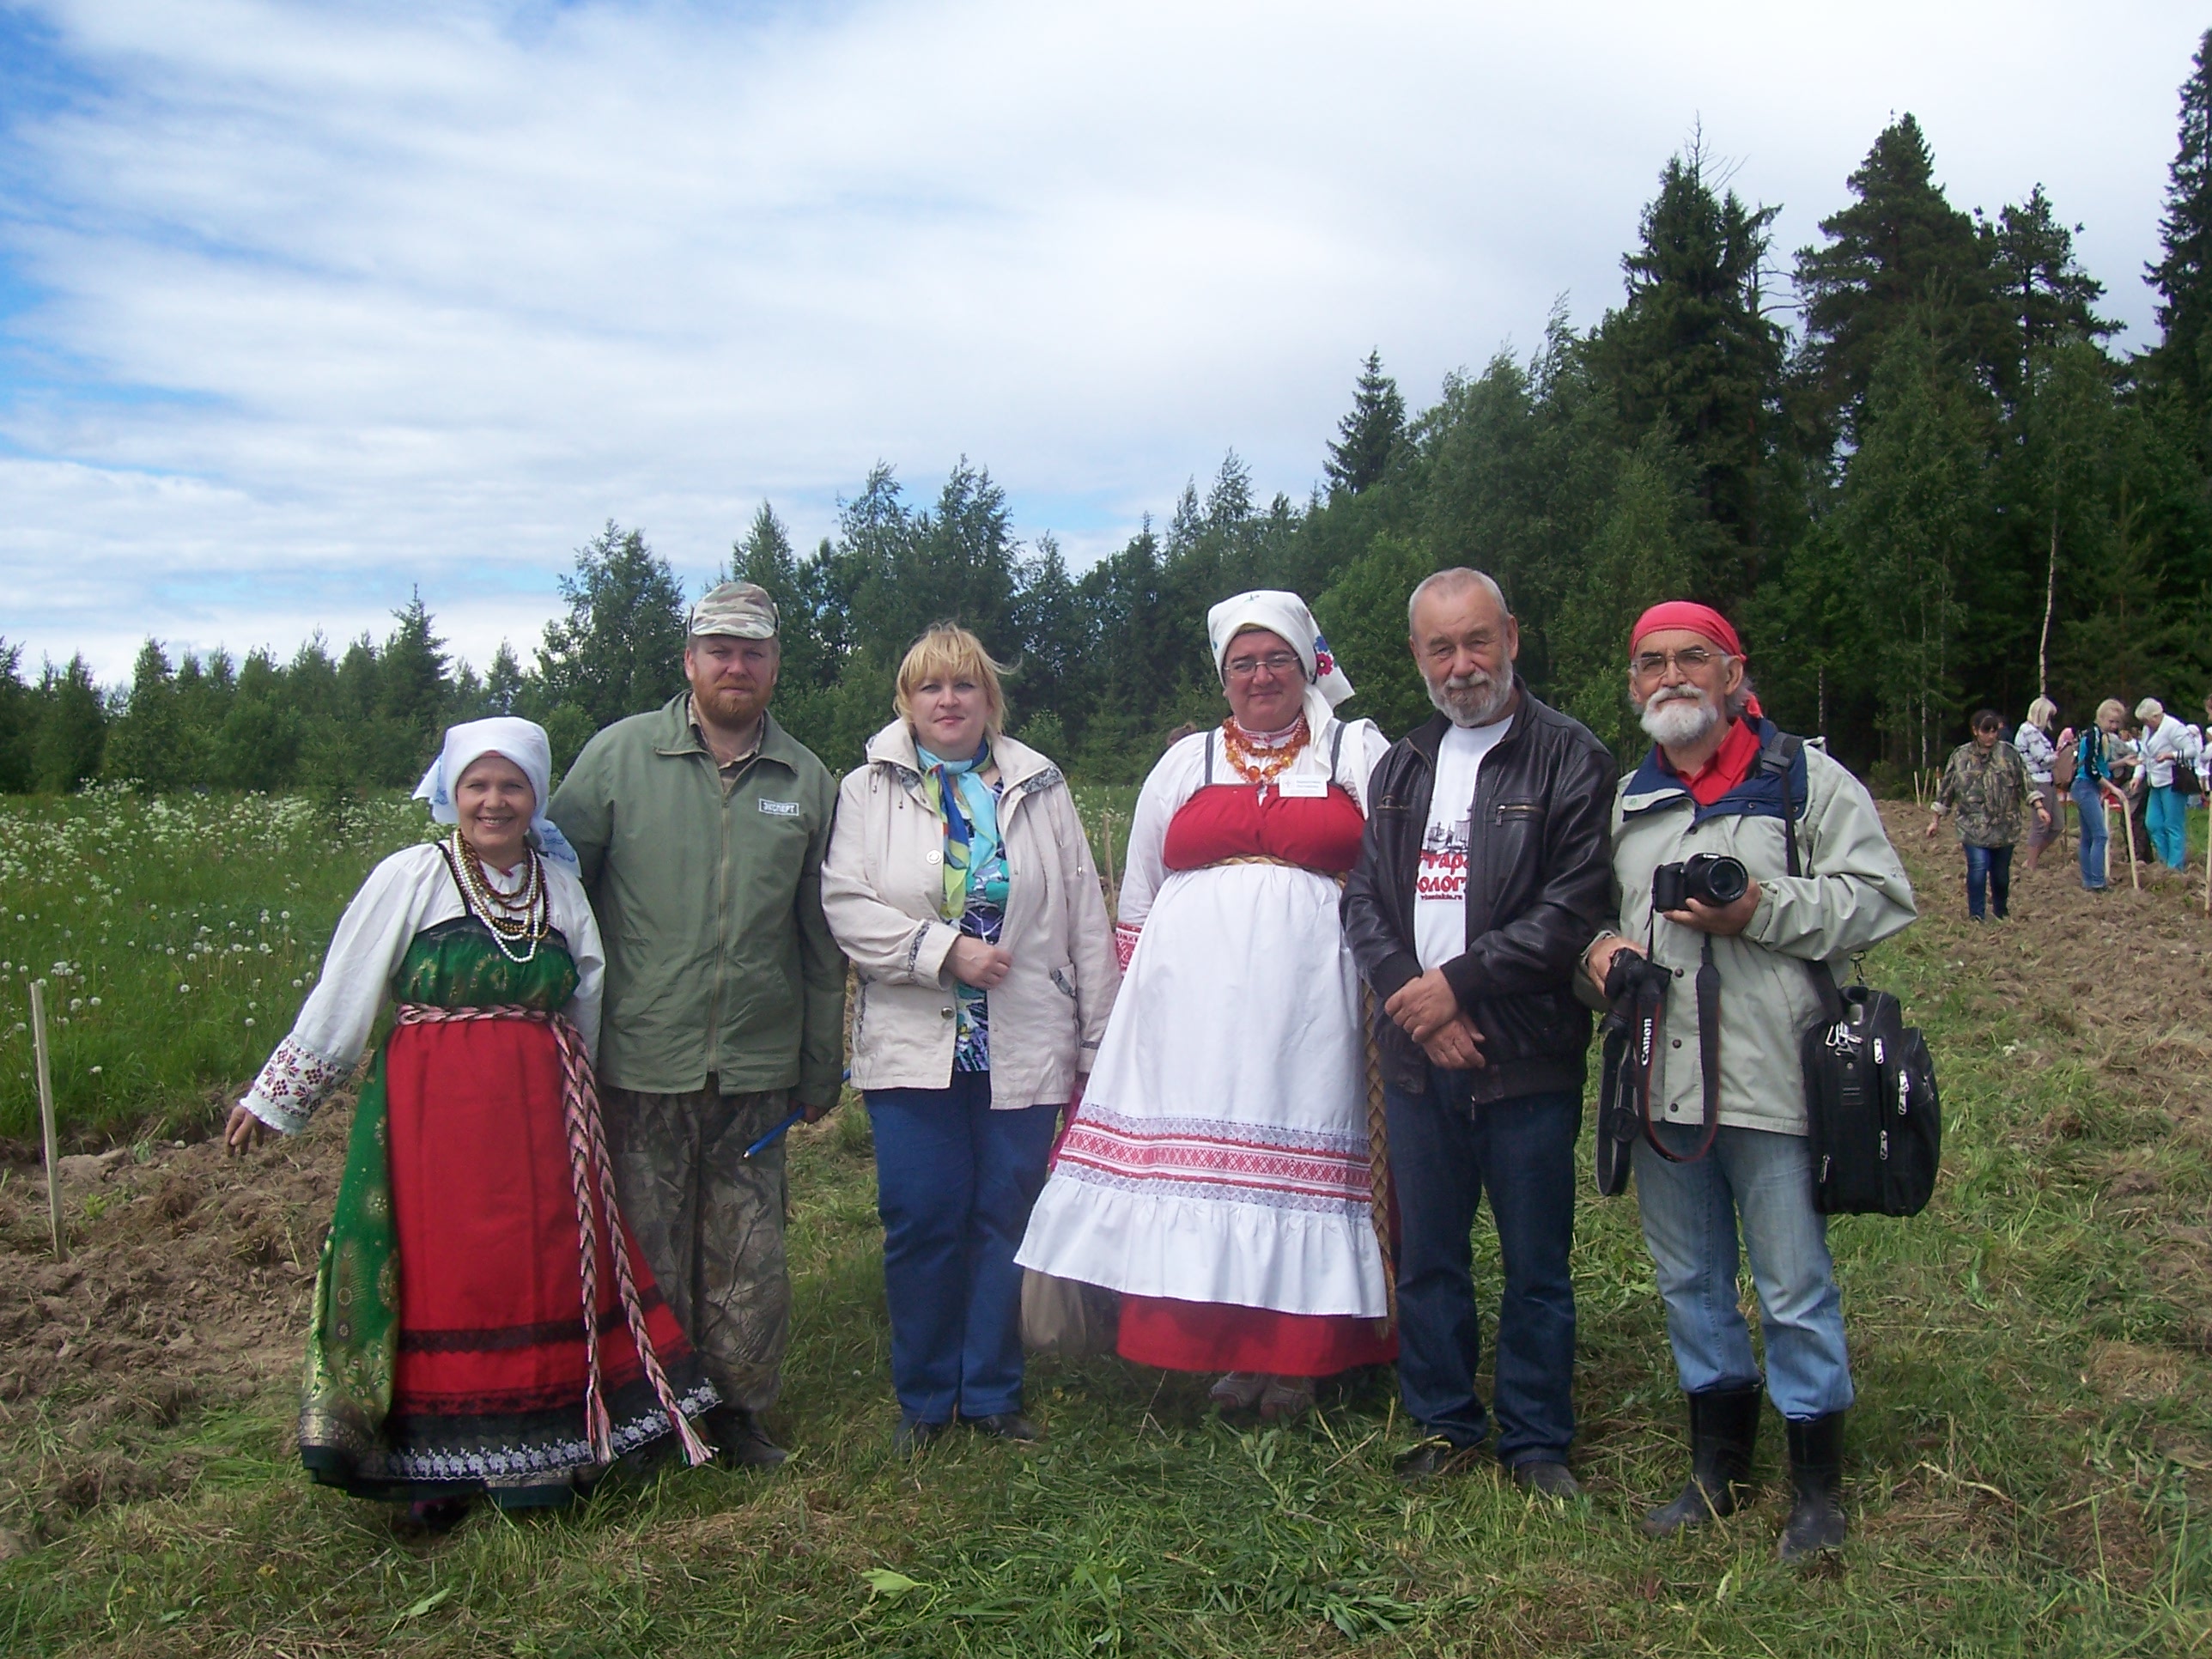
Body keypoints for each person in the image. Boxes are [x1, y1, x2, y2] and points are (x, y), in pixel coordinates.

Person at [225, 719, 715, 1527]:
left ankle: (546, 1456)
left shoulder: (559, 885)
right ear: (451, 793)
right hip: (434, 1116)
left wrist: (584, 1094)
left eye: (512, 786)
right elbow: (345, 990)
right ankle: (437, 1471)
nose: (494, 802)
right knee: (447, 1270)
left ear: (536, 797)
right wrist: (278, 1096)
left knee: (544, 1263)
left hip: (543, 1112)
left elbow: (588, 993)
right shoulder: (412, 875)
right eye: (477, 786)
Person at [1582, 602, 1917, 1562]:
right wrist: (1602, 956)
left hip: (1775, 1077)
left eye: (1694, 659)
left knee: (1792, 1285)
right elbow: (1591, 923)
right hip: (1659, 1083)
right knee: (1688, 1281)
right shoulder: (1628, 798)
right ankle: (1714, 1471)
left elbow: (1879, 899)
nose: (1671, 677)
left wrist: (1760, 909)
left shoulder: (1800, 778)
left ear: (1733, 675)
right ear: (1634, 682)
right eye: (1651, 662)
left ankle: (1816, 1491)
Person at [1018, 590, 1395, 1422]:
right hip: (1191, 1020)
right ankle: (1224, 1352)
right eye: (1242, 664)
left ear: (1307, 668)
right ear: (1222, 677)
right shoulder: (1184, 766)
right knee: (1209, 1174)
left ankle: (1295, 1360)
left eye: (1276, 661)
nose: (1260, 677)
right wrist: (1129, 1013)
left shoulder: (1353, 752)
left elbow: (1393, 870)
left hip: (1314, 1012)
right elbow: (1140, 895)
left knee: (1294, 1173)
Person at [547, 581, 846, 1468]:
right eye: (719, 648)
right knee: (646, 1245)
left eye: (752, 651)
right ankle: (647, 1414)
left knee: (747, 1252)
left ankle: (740, 1412)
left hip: (756, 1067)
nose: (735, 665)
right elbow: (559, 891)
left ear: (774, 666)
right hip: (641, 1057)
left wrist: (818, 1063)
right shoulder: (618, 758)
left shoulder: (805, 779)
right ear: (689, 659)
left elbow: (819, 935)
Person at [1340, 568, 1615, 1498]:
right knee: (1429, 1258)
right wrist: (1406, 999)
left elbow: (1570, 906)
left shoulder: (1568, 756)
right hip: (1417, 1062)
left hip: (1523, 1054)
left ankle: (1536, 1441)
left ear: (1510, 638)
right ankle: (1444, 1423)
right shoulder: (1402, 764)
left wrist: (1451, 989)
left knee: (1536, 1260)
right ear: (1416, 657)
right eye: (1439, 648)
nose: (1461, 667)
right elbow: (1365, 901)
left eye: (1476, 642)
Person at [821, 625, 1119, 1452]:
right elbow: (846, 906)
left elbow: (1083, 921)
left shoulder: (1040, 786)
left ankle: (991, 1394)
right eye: (930, 688)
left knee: (1004, 1217)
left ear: (991, 699)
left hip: (1025, 1040)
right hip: (914, 1043)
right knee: (922, 1217)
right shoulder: (866, 790)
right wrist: (942, 951)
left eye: (964, 686)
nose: (947, 701)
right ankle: (923, 1401)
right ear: (906, 703)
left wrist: (1096, 1044)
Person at [1925, 709, 2045, 921]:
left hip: (2004, 826)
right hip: (1972, 826)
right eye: (1986, 730)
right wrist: (1935, 820)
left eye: (1994, 731)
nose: (1991, 735)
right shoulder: (1961, 756)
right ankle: (1977, 915)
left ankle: (2001, 911)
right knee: (1978, 869)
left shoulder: (2009, 754)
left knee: (2000, 875)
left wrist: (2039, 806)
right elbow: (1947, 790)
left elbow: (2026, 781)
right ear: (1975, 731)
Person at [2073, 700, 2124, 892]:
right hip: (2086, 786)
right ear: (2101, 717)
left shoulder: (2100, 736)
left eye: (2117, 723)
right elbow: (2092, 770)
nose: (2114, 726)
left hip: (2088, 788)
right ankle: (2097, 881)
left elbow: (2101, 767)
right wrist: (2114, 789)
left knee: (2088, 837)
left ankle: (2089, 881)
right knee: (2100, 835)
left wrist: (2123, 762)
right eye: (2111, 721)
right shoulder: (2094, 736)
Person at [2014, 699, 2069, 873]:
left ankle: (2033, 857)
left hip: (2047, 780)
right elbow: (2043, 759)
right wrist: (2060, 751)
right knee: (2040, 825)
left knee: (2057, 824)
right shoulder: (2029, 732)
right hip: (2037, 781)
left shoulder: (2035, 732)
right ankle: (2031, 864)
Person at [2136, 698, 2191, 871]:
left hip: (2172, 781)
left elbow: (2191, 751)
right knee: (2153, 823)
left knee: (2172, 825)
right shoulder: (2147, 730)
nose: (2145, 724)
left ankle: (2175, 867)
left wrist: (2170, 755)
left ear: (2156, 715)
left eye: (2147, 720)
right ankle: (2164, 860)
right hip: (2155, 781)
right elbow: (2143, 755)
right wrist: (2138, 775)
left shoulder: (2174, 727)